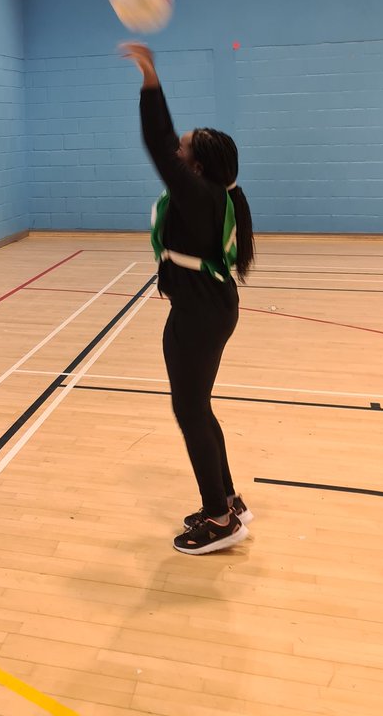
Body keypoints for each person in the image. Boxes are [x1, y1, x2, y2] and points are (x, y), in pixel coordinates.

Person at [121, 42, 256, 555]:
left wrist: (150, 77)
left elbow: (157, 141)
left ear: (196, 167)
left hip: (201, 315)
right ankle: (228, 500)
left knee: (190, 410)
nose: (174, 155)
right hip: (206, 307)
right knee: (198, 407)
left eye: (182, 151)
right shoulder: (209, 195)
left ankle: (221, 520)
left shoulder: (198, 195)